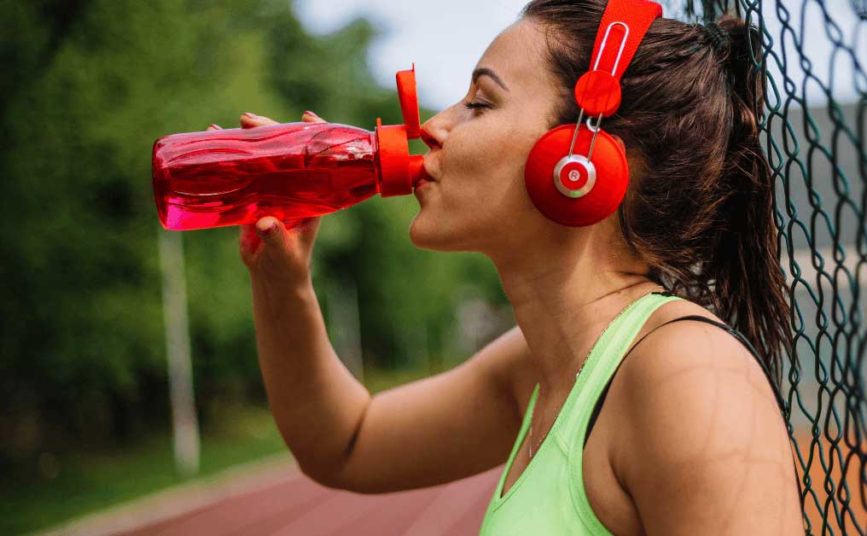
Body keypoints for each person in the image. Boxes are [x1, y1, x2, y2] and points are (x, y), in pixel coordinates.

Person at [221, 0, 802, 533]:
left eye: (479, 102)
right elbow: (345, 443)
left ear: (581, 164)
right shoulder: (545, 366)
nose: (434, 126)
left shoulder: (684, 376)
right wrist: (283, 282)